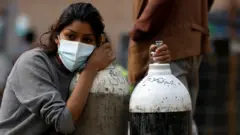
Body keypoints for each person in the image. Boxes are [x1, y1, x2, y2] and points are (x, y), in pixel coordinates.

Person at [0, 2, 171, 135]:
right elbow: (64, 123)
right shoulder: (33, 63)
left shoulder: (88, 69)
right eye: (71, 36)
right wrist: (90, 69)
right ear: (57, 37)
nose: (77, 45)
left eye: (87, 40)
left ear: (98, 43)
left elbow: (124, 99)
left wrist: (153, 64)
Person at [128, 0, 214, 135]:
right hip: (192, 39)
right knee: (184, 123)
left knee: (166, 122)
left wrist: (141, 27)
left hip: (165, 43)